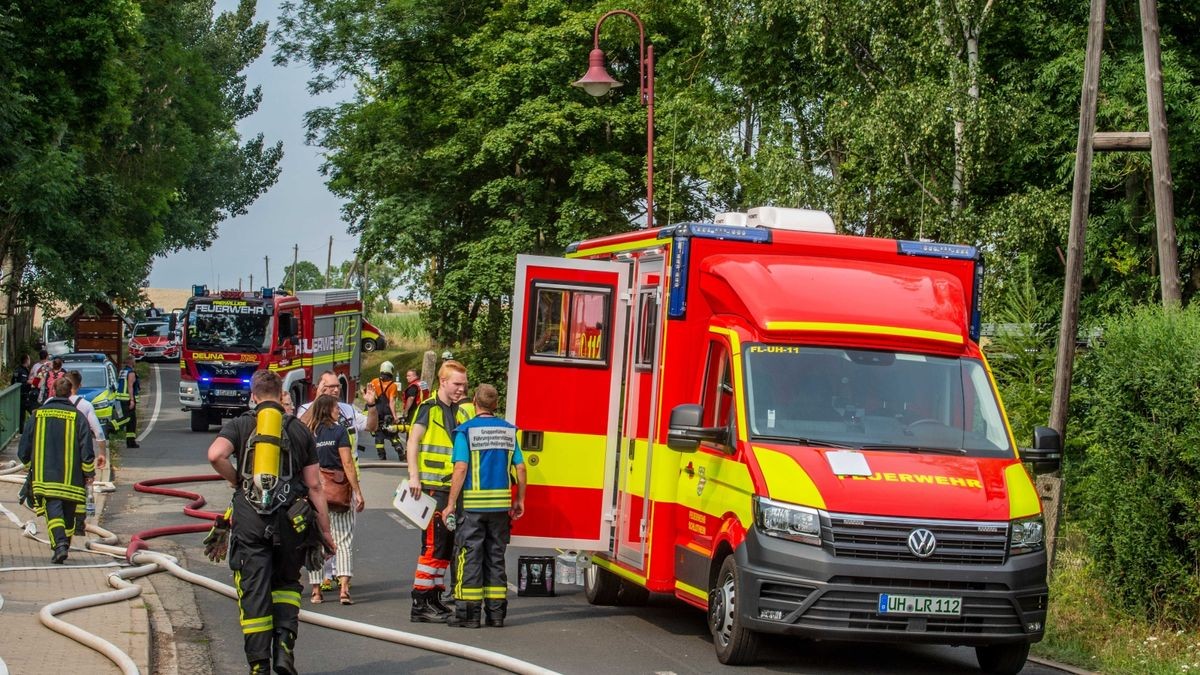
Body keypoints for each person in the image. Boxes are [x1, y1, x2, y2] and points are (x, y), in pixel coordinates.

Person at [206, 370, 336, 675]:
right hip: (292, 522)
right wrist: (325, 531)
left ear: (252, 396)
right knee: (288, 585)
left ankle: (259, 666)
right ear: (281, 396)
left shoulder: (240, 425)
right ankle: (284, 649)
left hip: (250, 522)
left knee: (254, 592)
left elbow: (215, 455)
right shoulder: (301, 430)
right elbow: (315, 485)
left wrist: (238, 480)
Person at [442, 384, 526, 628]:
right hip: (501, 508)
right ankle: (496, 615)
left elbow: (460, 467)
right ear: (496, 404)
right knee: (495, 557)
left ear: (475, 402)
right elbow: (520, 467)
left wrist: (449, 504)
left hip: (472, 507)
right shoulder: (508, 432)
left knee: (469, 558)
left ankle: (468, 616)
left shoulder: (465, 431)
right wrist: (519, 499)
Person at [296, 371, 378, 593]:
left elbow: (370, 426)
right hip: (317, 483)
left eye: (337, 387)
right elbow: (300, 429)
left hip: (345, 482)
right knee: (320, 531)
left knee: (341, 533)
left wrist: (372, 405)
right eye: (330, 387)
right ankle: (325, 576)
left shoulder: (348, 410)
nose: (335, 390)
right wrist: (319, 403)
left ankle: (331, 575)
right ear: (319, 387)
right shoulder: (306, 409)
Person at [405, 359, 471, 622]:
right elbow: (413, 441)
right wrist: (414, 477)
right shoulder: (428, 408)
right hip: (432, 488)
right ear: (443, 382)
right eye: (457, 384)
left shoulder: (456, 409)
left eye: (464, 385)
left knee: (444, 546)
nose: (461, 390)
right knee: (433, 545)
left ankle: (433, 596)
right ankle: (420, 602)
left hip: (448, 487)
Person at [18, 377, 94, 563]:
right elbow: (87, 448)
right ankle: (62, 545)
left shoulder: (38, 415)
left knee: (54, 514)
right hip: (72, 479)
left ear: (52, 391)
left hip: (46, 478)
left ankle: (60, 545)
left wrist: (30, 465)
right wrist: (89, 473)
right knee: (67, 516)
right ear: (70, 393)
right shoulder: (78, 417)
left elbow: (24, 448)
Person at [301, 394, 364, 605]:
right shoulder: (339, 431)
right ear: (328, 409)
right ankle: (344, 590)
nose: (339, 411)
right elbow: (347, 463)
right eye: (336, 408)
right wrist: (357, 491)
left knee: (317, 541)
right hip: (338, 493)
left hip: (314, 493)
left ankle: (316, 591)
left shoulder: (308, 434)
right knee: (343, 540)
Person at [66, 370, 108, 470]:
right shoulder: (85, 405)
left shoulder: (50, 402)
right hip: (77, 450)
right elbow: (98, 432)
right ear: (80, 385)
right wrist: (102, 453)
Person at [368, 361, 400, 460]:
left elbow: (369, 395)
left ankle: (381, 456)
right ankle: (399, 448)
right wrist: (395, 417)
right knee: (392, 433)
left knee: (378, 435)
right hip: (387, 413)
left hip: (377, 412)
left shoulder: (374, 382)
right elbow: (392, 402)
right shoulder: (393, 385)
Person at [115, 357, 140, 448]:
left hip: (121, 399)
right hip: (127, 400)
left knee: (132, 422)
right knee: (127, 419)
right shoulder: (131, 373)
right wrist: (132, 400)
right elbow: (130, 386)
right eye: (134, 361)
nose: (135, 362)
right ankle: (110, 428)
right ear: (131, 362)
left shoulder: (122, 371)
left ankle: (131, 442)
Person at [13, 353, 33, 425]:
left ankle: (21, 430)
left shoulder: (18, 369)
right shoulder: (22, 371)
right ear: (26, 360)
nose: (30, 361)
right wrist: (29, 382)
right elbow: (22, 383)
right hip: (23, 396)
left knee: (21, 415)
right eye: (29, 359)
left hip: (19, 395)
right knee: (32, 411)